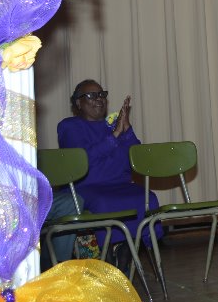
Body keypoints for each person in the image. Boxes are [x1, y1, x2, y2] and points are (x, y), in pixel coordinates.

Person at [57, 79, 159, 267]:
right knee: (104, 202)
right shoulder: (69, 126)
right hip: (87, 188)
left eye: (102, 94)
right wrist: (114, 137)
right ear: (78, 103)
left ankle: (126, 249)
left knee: (148, 198)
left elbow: (137, 158)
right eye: (91, 95)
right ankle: (107, 258)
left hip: (120, 186)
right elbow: (82, 159)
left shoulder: (114, 125)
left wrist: (127, 129)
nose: (99, 99)